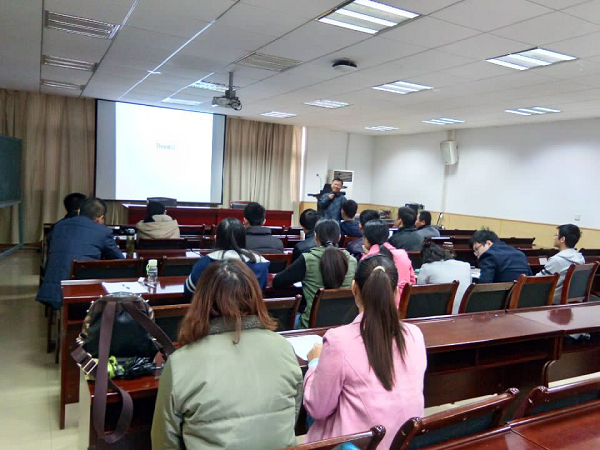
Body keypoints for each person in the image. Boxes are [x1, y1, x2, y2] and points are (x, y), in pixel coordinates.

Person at [152, 259, 303, 450]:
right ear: (255, 297)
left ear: (201, 301)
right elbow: (292, 416)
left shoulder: (179, 364)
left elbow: (164, 443)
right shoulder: (285, 348)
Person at [303, 254, 427, 449]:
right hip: (404, 443)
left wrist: (314, 363)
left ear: (354, 289)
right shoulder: (415, 335)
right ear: (397, 293)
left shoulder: (338, 341)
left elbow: (317, 408)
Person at [36, 197, 123, 310]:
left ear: (79, 212)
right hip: (82, 294)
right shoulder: (103, 231)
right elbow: (120, 259)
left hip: (52, 290)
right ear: (100, 218)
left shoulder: (59, 226)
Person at [272, 219, 357, 329]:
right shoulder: (352, 261)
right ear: (339, 237)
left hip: (310, 326)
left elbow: (277, 281)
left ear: (315, 236)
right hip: (343, 325)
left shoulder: (308, 259)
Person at [184, 218, 269, 296]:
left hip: (213, 307)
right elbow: (261, 288)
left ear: (216, 238)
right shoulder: (260, 261)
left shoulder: (205, 263)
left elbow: (189, 290)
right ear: (243, 239)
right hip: (250, 307)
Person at [361, 219, 415, 307]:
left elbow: (361, 290)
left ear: (366, 239)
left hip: (375, 310)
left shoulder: (367, 260)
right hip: (403, 307)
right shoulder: (402, 254)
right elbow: (412, 282)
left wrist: (366, 254)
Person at [418, 239, 472, 314]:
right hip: (464, 312)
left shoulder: (426, 267)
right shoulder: (466, 265)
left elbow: (419, 293)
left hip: (439, 314)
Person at [536, 224, 585, 304]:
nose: (554, 238)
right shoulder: (580, 258)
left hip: (554, 301)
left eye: (556, 235)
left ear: (562, 239)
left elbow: (536, 280)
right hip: (573, 301)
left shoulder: (556, 260)